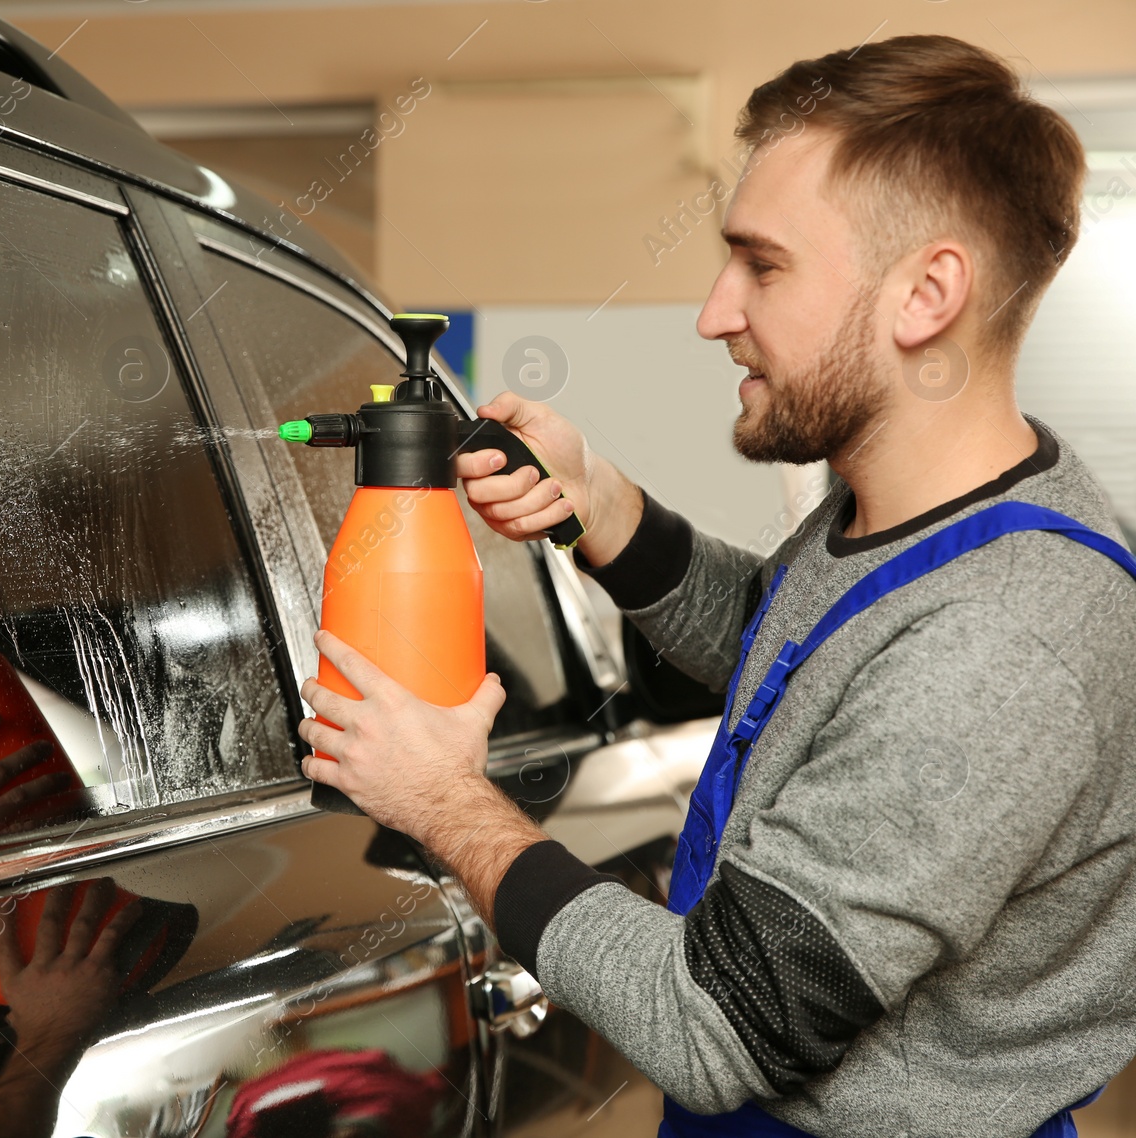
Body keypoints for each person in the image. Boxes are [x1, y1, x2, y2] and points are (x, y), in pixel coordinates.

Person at [296, 34, 1136, 1138]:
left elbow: (710, 1023)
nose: (713, 313)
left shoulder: (998, 642)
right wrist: (606, 507)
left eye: (763, 264)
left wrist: (443, 800)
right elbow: (808, 662)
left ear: (927, 293)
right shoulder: (933, 519)